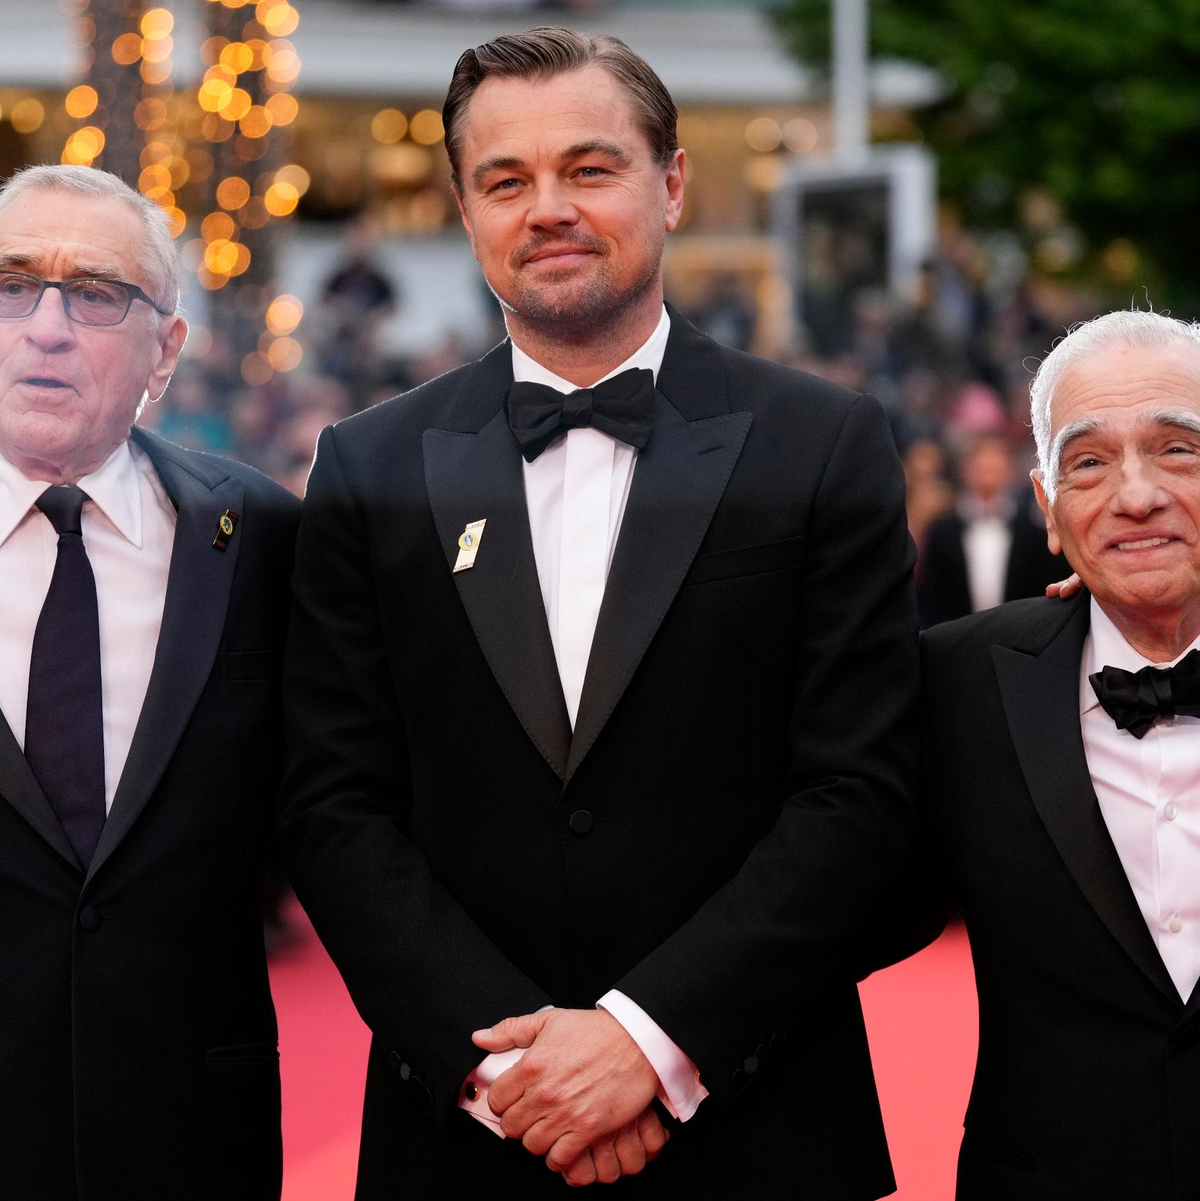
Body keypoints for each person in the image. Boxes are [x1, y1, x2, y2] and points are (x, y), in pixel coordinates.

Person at [281, 27, 918, 1198]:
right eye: (505, 181)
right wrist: (509, 1071)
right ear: (466, 213)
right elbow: (332, 802)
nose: (548, 209)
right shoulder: (366, 463)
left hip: (760, 1119)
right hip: (465, 1129)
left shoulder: (824, 445)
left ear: (670, 184)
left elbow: (862, 790)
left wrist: (649, 1039)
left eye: (589, 168)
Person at [0, 165, 298, 1199]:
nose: (44, 325)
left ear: (164, 352)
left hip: (186, 1133)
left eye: (95, 293)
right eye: (10, 283)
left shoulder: (263, 536)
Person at [900, 309, 1200, 1197]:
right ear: (1049, 509)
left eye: (1177, 449)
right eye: (1090, 461)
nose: (1135, 493)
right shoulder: (954, 682)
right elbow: (830, 901)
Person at [916, 432, 1061, 627]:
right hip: (955, 637)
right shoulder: (942, 530)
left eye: (995, 468)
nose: (987, 475)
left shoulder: (1032, 532)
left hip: (1021, 634)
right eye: (981, 468)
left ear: (1009, 471)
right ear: (966, 471)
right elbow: (931, 594)